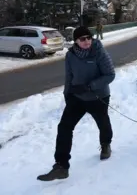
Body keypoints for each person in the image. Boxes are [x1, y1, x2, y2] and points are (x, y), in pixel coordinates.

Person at [37, 26, 116, 181]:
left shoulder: (98, 52)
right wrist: (67, 94)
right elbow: (69, 76)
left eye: (89, 38)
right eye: (82, 39)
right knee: (64, 127)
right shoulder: (71, 55)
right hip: (77, 97)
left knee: (102, 122)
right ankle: (61, 165)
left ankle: (106, 143)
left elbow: (110, 75)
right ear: (76, 41)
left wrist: (90, 86)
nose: (86, 41)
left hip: (98, 96)